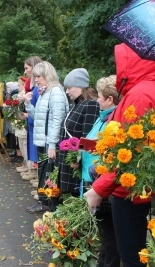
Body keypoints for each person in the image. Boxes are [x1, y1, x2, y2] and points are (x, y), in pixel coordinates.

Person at [84, 43, 155, 267]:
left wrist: (98, 188)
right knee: (133, 257)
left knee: (133, 258)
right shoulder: (146, 89)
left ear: (130, 62)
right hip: (130, 185)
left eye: (120, 62)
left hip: (129, 190)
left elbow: (131, 154)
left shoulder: (141, 94)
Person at [29, 68, 100, 214]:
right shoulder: (77, 104)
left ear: (80, 86)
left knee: (70, 200)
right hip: (66, 160)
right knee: (61, 200)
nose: (67, 92)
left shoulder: (90, 105)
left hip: (75, 163)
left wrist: (77, 157)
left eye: (69, 88)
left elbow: (88, 138)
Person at [80, 75, 121, 267]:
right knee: (103, 225)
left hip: (106, 177)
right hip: (97, 175)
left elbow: (108, 148)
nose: (97, 100)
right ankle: (103, 262)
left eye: (100, 97)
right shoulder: (103, 116)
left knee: (109, 227)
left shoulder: (113, 119)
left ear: (110, 100)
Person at [23, 61, 68, 214]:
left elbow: (57, 120)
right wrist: (28, 105)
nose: (35, 80)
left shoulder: (55, 92)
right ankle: (44, 201)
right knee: (43, 171)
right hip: (43, 140)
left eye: (38, 76)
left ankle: (48, 203)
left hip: (50, 141)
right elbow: (38, 118)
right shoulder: (44, 91)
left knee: (49, 173)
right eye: (35, 76)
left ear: (47, 75)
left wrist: (52, 144)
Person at [19, 56, 43, 182]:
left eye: (27, 68)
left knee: (38, 150)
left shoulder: (39, 88)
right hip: (32, 122)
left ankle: (39, 177)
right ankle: (36, 174)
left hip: (37, 123)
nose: (25, 71)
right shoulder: (33, 86)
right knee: (32, 148)